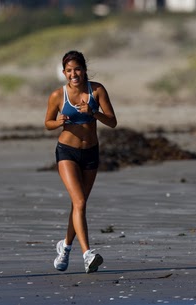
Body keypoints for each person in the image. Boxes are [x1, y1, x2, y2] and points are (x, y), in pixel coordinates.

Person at [44, 50, 117, 273]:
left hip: (91, 153)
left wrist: (94, 111)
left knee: (79, 204)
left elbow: (112, 121)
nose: (73, 74)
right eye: (69, 70)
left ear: (84, 69)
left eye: (77, 69)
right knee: (80, 203)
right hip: (67, 152)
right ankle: (87, 254)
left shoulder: (97, 90)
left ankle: (65, 247)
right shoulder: (58, 95)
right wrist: (58, 123)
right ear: (64, 73)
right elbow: (47, 122)